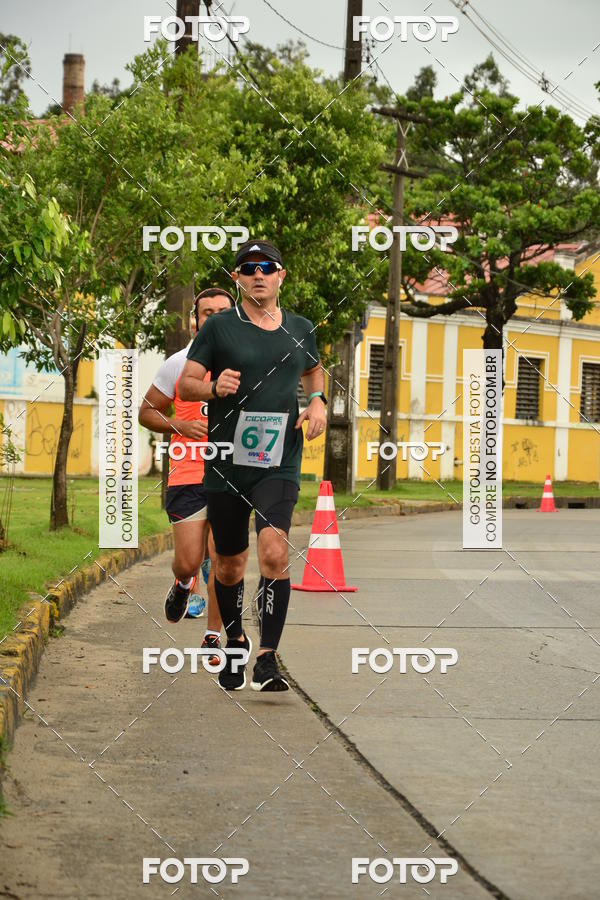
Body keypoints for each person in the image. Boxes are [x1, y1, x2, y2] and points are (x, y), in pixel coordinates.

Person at [178, 240, 327, 692]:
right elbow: (185, 385)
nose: (257, 273)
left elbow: (313, 372)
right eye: (248, 267)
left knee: (274, 552)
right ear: (237, 278)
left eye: (267, 267)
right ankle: (237, 640)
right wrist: (212, 387)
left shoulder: (300, 328)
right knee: (228, 565)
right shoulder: (219, 328)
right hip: (227, 463)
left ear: (282, 275)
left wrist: (317, 401)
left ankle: (267, 657)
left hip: (279, 460)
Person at [138, 287, 235, 662]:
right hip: (187, 474)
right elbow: (147, 412)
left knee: (222, 558)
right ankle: (182, 582)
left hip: (230, 474)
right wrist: (179, 424)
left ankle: (213, 637)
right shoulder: (177, 363)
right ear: (194, 320)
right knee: (190, 560)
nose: (212, 318)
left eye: (221, 311)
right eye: (205, 312)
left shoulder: (246, 361)